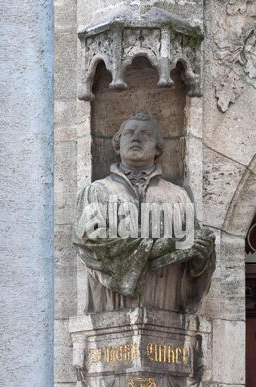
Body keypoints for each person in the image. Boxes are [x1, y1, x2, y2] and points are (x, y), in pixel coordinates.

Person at [73, 112, 215, 314]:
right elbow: (92, 243)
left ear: (158, 148)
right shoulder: (97, 191)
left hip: (166, 305)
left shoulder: (177, 196)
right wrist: (160, 247)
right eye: (129, 133)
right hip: (112, 309)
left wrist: (201, 257)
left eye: (145, 134)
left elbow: (194, 255)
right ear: (117, 144)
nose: (136, 138)